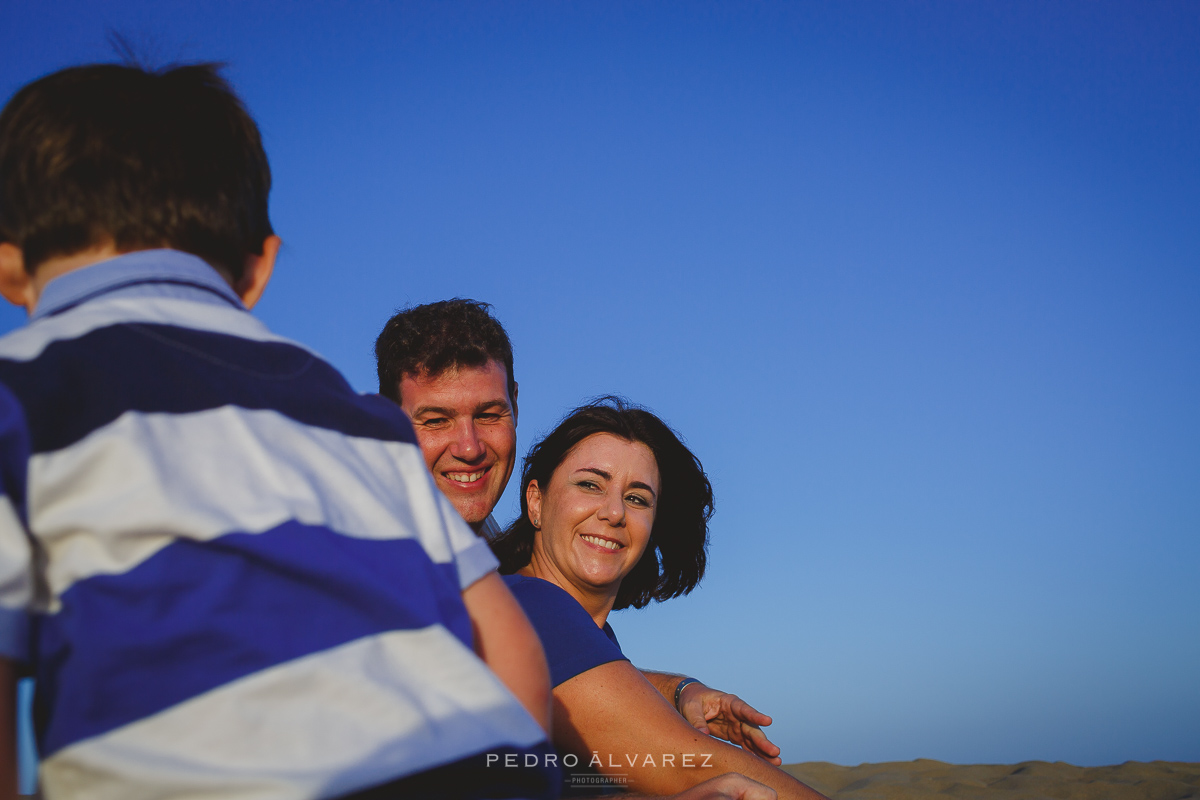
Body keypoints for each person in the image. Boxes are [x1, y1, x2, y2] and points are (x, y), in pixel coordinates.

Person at [0, 60, 555, 799]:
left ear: (9, 266)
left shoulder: (21, 392)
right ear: (260, 268)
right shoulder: (353, 418)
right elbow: (508, 642)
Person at [376, 300, 787, 763]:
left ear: (515, 401)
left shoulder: (476, 558)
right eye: (436, 420)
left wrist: (675, 691)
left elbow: (549, 681)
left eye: (489, 414)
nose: (469, 447)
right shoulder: (367, 557)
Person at [491, 398, 829, 800]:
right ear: (536, 501)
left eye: (637, 498)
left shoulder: (579, 634)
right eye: (589, 484)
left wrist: (679, 689)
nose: (614, 512)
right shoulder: (532, 606)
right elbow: (689, 763)